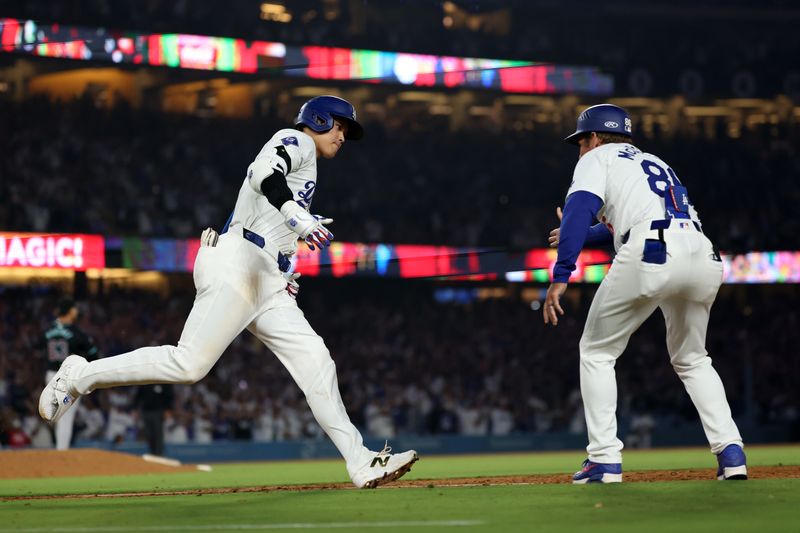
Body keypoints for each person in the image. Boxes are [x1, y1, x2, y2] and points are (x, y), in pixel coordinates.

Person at [39, 95, 418, 488]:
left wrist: (288, 248)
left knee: (316, 359)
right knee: (188, 365)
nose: (342, 136)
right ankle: (78, 375)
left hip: (266, 277)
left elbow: (266, 207)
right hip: (240, 261)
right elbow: (262, 174)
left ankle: (359, 461)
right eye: (339, 126)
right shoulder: (297, 139)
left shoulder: (310, 165)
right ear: (319, 120)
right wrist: (293, 213)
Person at [544, 104, 746, 483]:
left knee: (597, 351)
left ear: (594, 137)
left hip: (652, 254)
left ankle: (603, 460)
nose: (580, 149)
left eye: (580, 142)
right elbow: (644, 217)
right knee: (693, 359)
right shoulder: (654, 161)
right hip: (702, 254)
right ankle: (731, 453)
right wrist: (585, 235)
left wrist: (562, 273)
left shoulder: (596, 158)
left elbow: (580, 209)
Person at [39, 297, 100, 450]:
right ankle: (61, 451)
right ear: (71, 311)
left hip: (51, 375)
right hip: (68, 376)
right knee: (66, 416)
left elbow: (37, 347)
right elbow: (93, 353)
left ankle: (58, 447)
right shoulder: (76, 333)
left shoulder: (47, 331)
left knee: (53, 414)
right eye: (75, 308)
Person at [134, 384, 174, 457]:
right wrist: (135, 408)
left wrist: (168, 409)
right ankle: (153, 453)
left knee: (158, 433)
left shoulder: (162, 381)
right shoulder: (146, 381)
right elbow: (139, 394)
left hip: (158, 412)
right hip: (146, 411)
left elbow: (169, 395)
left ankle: (159, 453)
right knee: (149, 434)